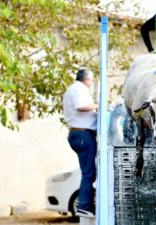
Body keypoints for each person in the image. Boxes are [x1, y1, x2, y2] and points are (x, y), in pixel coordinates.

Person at [63, 69, 98, 218]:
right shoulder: (79, 89)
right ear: (87, 79)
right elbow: (81, 106)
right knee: (88, 172)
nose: (91, 83)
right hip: (83, 134)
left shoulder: (74, 88)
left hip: (79, 134)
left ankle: (87, 204)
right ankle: (84, 206)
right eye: (91, 80)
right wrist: (98, 105)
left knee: (89, 172)